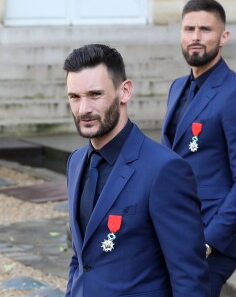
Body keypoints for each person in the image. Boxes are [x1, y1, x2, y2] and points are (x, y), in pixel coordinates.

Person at [63, 44, 210, 297]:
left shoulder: (165, 170)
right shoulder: (76, 162)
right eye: (74, 97)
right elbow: (81, 257)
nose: (83, 109)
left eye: (95, 95)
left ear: (125, 92)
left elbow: (189, 278)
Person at [161, 0, 236, 296]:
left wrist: (209, 241)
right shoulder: (176, 87)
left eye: (205, 29)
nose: (196, 36)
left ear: (224, 37)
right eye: (189, 28)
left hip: (210, 243)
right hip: (174, 231)